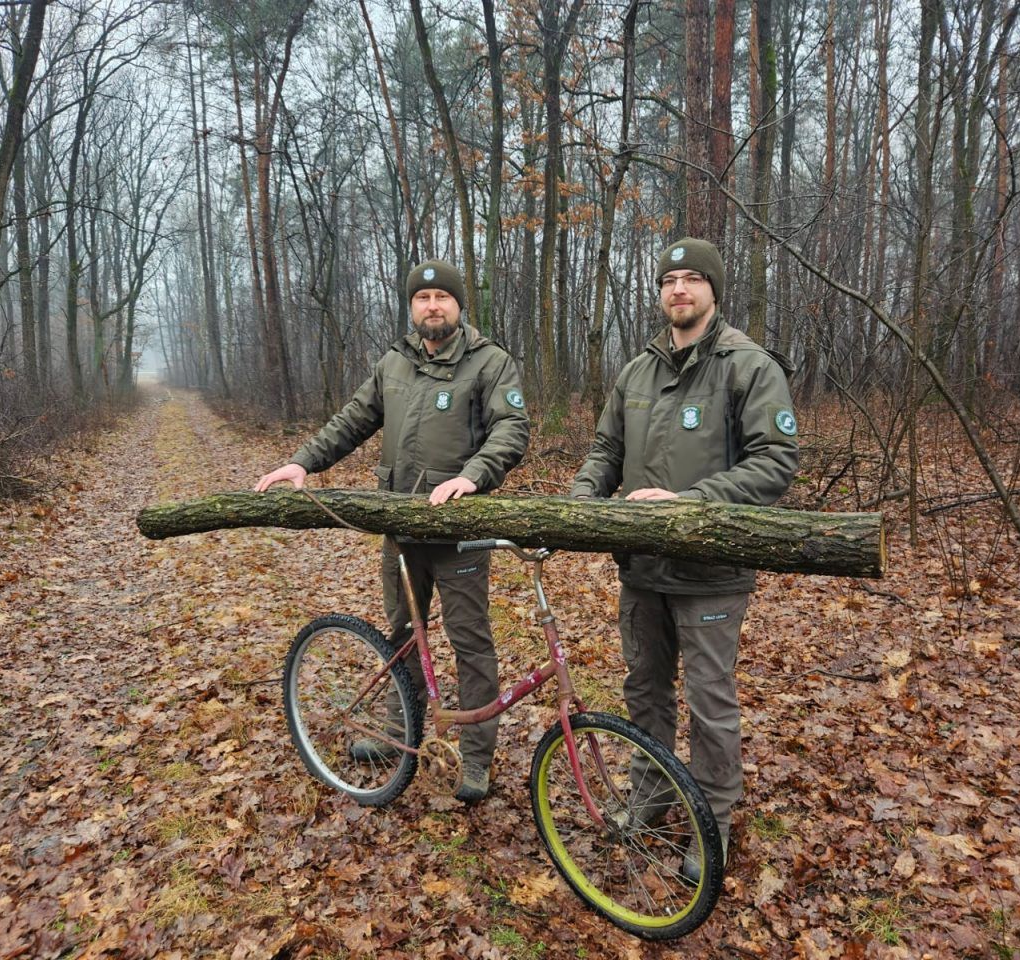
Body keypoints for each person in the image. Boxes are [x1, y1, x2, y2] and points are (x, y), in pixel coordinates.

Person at [256, 259, 530, 803]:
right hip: (399, 529)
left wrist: (473, 477)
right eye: (422, 297)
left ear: (458, 305)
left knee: (470, 643)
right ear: (411, 307)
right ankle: (396, 730)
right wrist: (303, 463)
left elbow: (512, 428)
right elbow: (353, 420)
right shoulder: (394, 363)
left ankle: (475, 757)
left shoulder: (490, 363)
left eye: (442, 297)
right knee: (401, 633)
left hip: (459, 536)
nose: (433, 306)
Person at [570, 238, 799, 875]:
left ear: (713, 290)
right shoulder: (636, 370)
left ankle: (713, 818)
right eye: (669, 279)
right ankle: (650, 792)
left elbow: (775, 461)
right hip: (641, 567)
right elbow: (605, 450)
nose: (679, 290)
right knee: (644, 688)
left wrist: (689, 500)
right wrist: (583, 497)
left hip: (710, 572)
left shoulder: (748, 366)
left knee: (709, 699)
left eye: (692, 278)